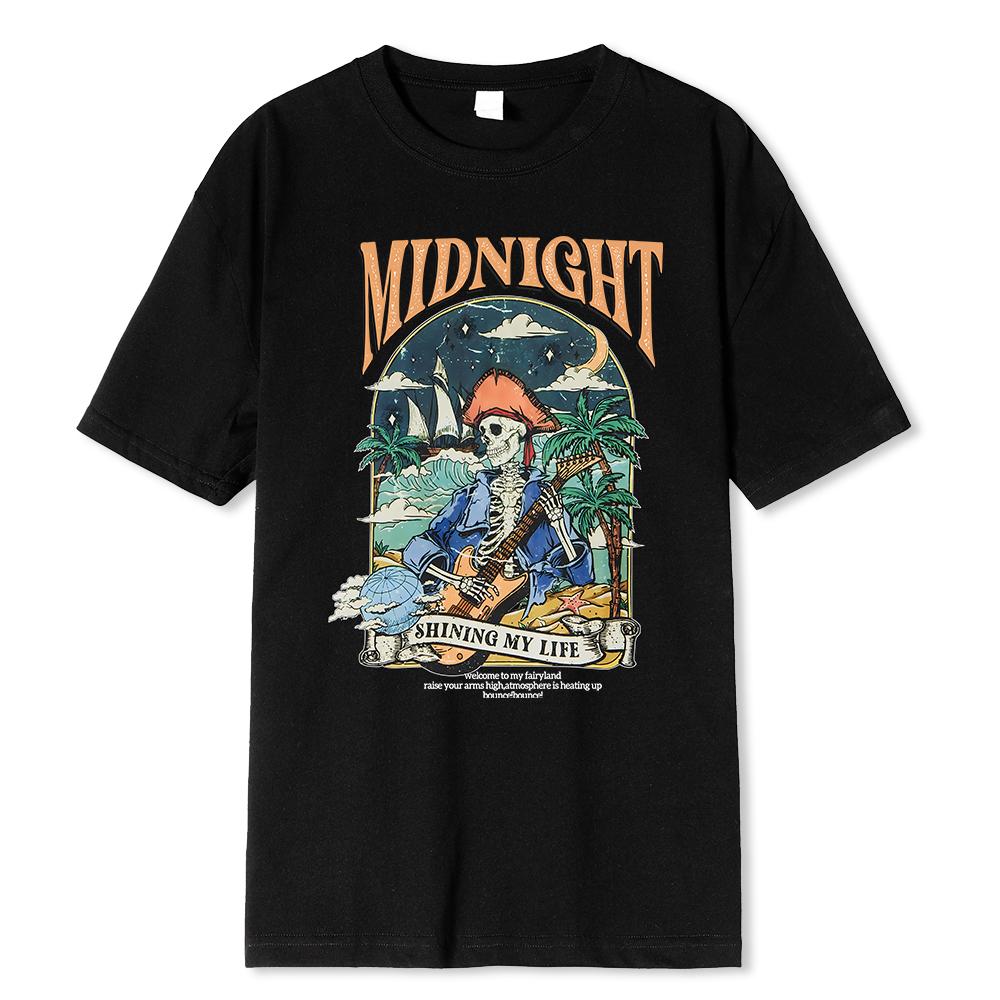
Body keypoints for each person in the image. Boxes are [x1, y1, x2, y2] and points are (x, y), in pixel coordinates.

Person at [403, 369, 593, 615]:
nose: (487, 441)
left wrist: (559, 528)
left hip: (519, 608)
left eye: (495, 430)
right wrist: (457, 580)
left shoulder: (544, 497)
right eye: (483, 433)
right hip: (458, 598)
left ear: (519, 432)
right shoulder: (468, 497)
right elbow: (416, 549)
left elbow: (582, 578)